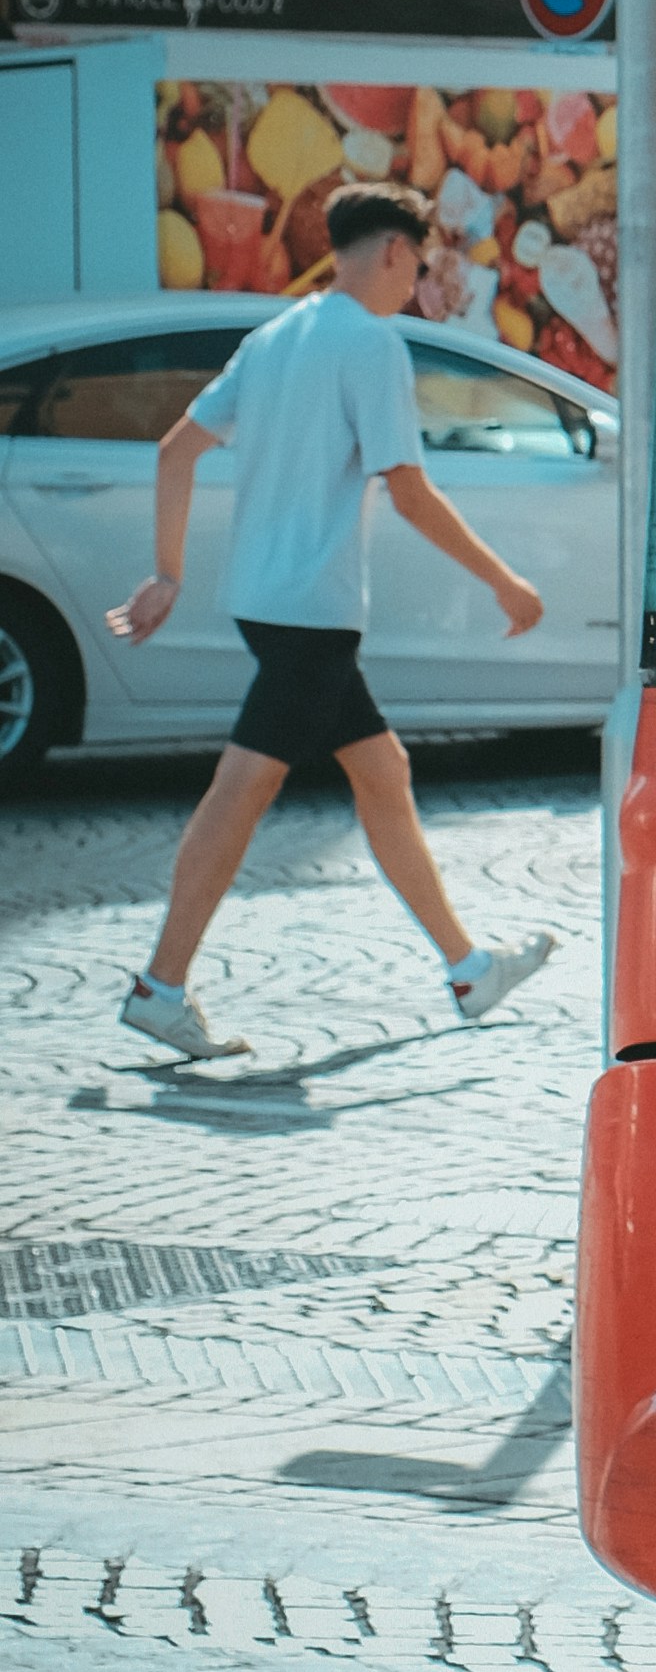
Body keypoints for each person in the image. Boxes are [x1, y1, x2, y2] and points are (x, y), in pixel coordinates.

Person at [110, 187, 558, 1066]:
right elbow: (409, 488)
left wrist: (170, 572)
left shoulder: (274, 337)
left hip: (266, 605)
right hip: (312, 612)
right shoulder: (371, 344)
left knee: (382, 772)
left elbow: (176, 451)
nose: (418, 284)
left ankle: (469, 968)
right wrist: (508, 583)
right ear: (394, 249)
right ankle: (160, 985)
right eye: (420, 267)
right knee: (242, 789)